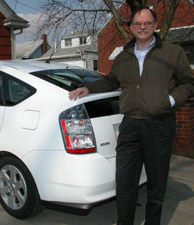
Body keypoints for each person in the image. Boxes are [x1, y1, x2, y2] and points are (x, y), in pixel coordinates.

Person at [69, 6, 194, 225]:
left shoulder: (172, 52)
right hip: (130, 126)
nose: (142, 27)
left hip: (159, 125)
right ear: (132, 28)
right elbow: (112, 80)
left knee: (156, 184)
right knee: (125, 182)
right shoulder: (124, 55)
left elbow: (188, 83)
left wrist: (170, 101)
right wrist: (88, 89)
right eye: (138, 24)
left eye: (147, 23)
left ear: (155, 25)